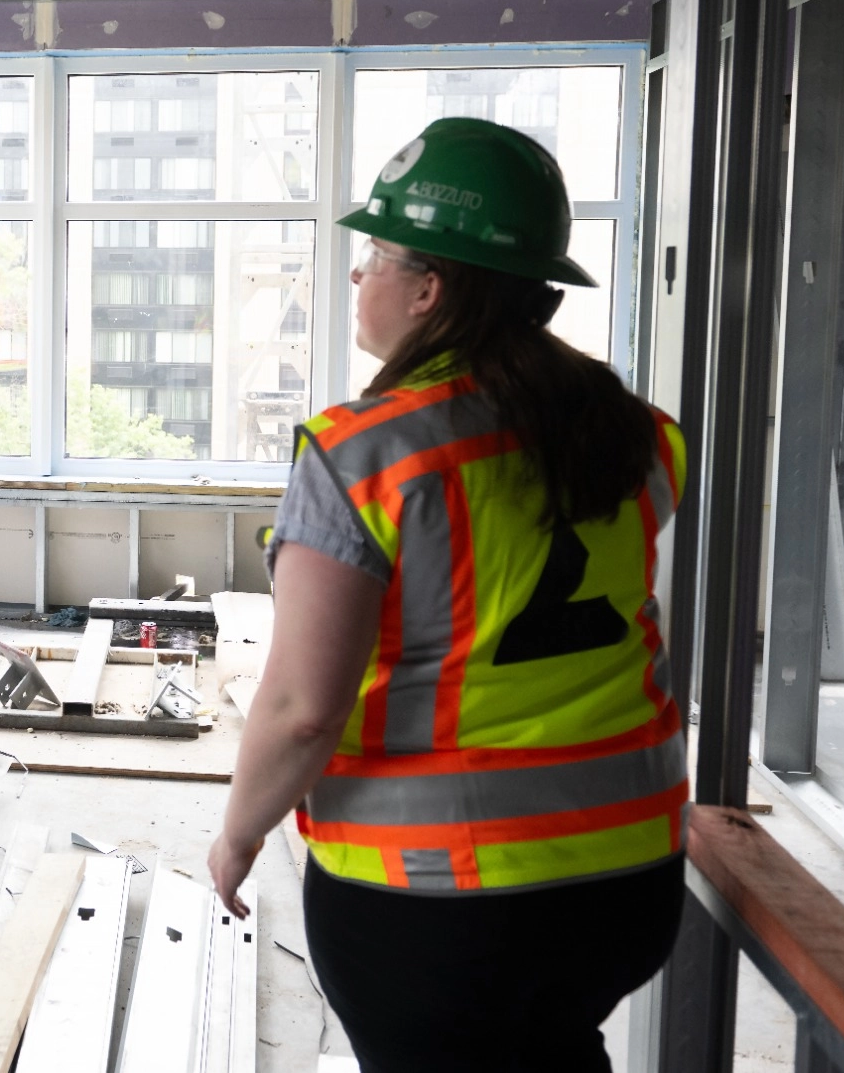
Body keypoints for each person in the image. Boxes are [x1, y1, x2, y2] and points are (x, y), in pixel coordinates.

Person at [207, 118, 689, 1073]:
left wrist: (238, 831)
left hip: (437, 897)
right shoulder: (639, 434)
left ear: (431, 288)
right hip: (629, 879)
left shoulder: (365, 453)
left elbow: (304, 711)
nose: (358, 276)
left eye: (375, 254)